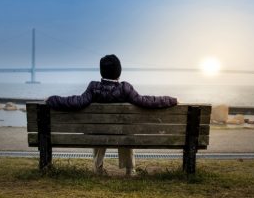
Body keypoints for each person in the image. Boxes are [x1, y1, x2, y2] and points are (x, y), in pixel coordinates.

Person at [46, 54, 177, 176]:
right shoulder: (125, 88)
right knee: (126, 132)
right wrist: (172, 100)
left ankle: (98, 169)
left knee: (98, 129)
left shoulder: (93, 87)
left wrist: (52, 99)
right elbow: (146, 101)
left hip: (99, 133)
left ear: (101, 72)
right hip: (122, 133)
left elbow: (75, 102)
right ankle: (130, 170)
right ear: (119, 72)